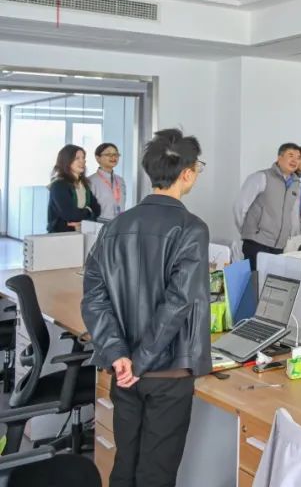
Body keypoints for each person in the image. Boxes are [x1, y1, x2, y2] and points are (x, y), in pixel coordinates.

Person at [81, 128, 210, 487]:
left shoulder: (115, 226)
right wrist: (141, 360)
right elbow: (178, 302)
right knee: (156, 474)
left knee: (125, 466)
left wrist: (118, 354)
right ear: (187, 174)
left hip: (124, 372)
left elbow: (93, 295)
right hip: (166, 373)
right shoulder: (191, 228)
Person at [234, 143, 301, 270]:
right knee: (254, 280)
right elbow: (239, 207)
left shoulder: (296, 184)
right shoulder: (262, 177)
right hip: (257, 243)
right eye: (291, 155)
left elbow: (291, 213)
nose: (295, 160)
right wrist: (249, 232)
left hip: (279, 245)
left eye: (298, 157)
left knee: (272, 281)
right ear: (279, 157)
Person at [47, 144, 101, 232]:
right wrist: (89, 211)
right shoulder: (59, 185)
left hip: (81, 233)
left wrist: (83, 217)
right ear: (66, 161)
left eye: (83, 158)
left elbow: (97, 210)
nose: (82, 161)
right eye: (77, 158)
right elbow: (72, 215)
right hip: (60, 235)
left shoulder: (83, 184)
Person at [90, 142, 126, 220]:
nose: (113, 157)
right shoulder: (91, 181)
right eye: (108, 154)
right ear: (98, 158)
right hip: (99, 224)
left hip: (119, 222)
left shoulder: (120, 181)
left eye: (116, 154)